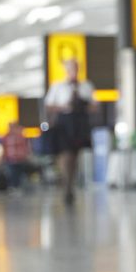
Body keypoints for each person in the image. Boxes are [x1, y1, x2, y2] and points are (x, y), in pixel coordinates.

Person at [44, 60, 93, 204]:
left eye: (76, 68)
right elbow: (49, 105)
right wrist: (63, 106)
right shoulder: (58, 86)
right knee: (66, 154)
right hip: (64, 122)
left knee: (75, 155)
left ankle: (70, 183)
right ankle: (66, 185)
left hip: (80, 122)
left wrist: (84, 105)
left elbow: (94, 105)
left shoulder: (86, 86)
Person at [0, 121, 33, 190]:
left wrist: (27, 154)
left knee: (19, 173)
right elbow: (4, 147)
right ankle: (14, 186)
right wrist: (3, 157)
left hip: (20, 158)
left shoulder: (20, 134)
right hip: (11, 159)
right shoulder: (7, 136)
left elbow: (26, 146)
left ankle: (18, 186)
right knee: (12, 173)